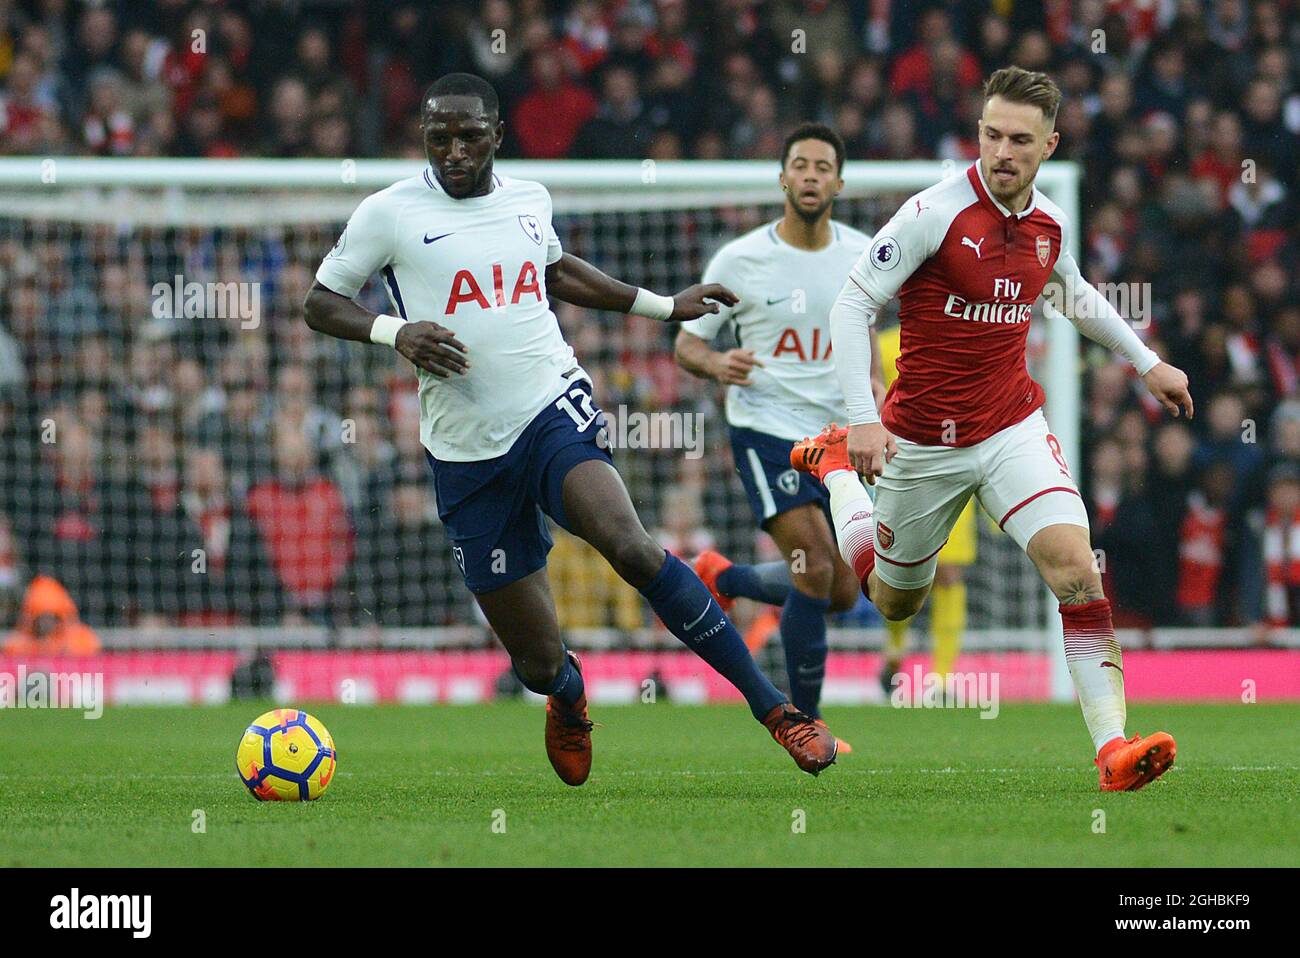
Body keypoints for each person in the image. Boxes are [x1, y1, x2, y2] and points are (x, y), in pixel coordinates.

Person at [303, 73, 838, 786]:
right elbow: (319, 301)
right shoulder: (389, 213)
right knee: (536, 660)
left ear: (496, 135)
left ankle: (779, 713)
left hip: (552, 406)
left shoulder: (530, 199)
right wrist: (395, 331)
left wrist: (666, 307)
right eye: (439, 138)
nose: (454, 151)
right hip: (466, 451)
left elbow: (556, 274)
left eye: (468, 136)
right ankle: (566, 692)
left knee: (632, 546)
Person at [794, 67, 1194, 792]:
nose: (1001, 151)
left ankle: (1112, 751)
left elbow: (1071, 293)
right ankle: (835, 472)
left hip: (1010, 424)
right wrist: (860, 421)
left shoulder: (1048, 223)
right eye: (990, 134)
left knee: (1077, 568)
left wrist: (1148, 363)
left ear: (1048, 145)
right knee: (894, 600)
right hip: (920, 440)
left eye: (1018, 139)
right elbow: (852, 306)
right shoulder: (933, 214)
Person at [674, 123, 874, 746]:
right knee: (814, 567)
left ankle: (724, 579)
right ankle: (806, 723)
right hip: (766, 430)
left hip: (838, 440)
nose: (811, 176)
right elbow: (687, 344)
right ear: (782, 178)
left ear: (839, 182)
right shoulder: (739, 260)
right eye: (800, 166)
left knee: (842, 590)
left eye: (823, 167)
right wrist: (716, 364)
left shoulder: (865, 256)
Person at [3, 574, 101, 656]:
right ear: (33, 618)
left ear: (60, 618)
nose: (46, 623)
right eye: (41, 617)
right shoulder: (17, 643)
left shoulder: (81, 638)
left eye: (52, 617)